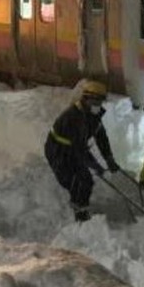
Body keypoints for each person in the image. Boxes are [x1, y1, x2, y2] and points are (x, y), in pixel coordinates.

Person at [44, 80, 121, 222]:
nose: (99, 106)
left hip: (73, 148)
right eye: (96, 102)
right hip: (58, 150)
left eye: (100, 102)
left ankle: (81, 206)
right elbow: (79, 149)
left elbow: (101, 137)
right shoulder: (73, 118)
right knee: (76, 181)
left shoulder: (93, 116)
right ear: (87, 99)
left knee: (86, 180)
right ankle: (79, 213)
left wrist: (109, 158)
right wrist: (95, 165)